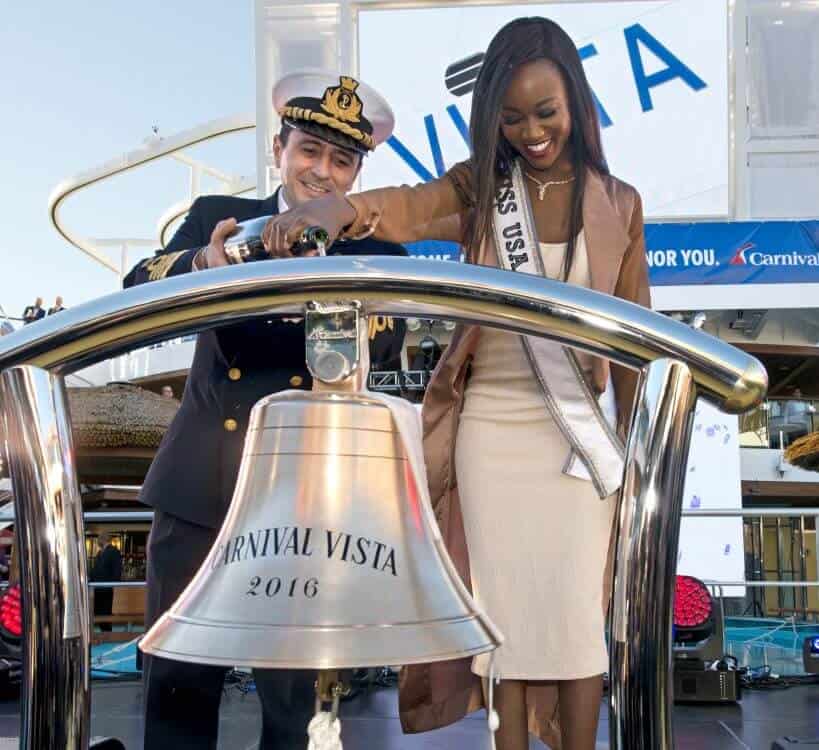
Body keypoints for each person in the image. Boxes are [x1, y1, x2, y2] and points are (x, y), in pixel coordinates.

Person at [263, 18, 650, 750]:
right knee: (498, 614)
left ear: (576, 102)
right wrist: (338, 208)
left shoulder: (620, 202)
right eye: (510, 117)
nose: (530, 131)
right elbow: (407, 204)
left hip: (577, 442)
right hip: (489, 432)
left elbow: (633, 345)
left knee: (573, 613)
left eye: (545, 112)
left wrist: (639, 456)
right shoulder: (480, 185)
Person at [123, 71, 407, 750]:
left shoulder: (378, 254)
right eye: (309, 149)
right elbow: (137, 285)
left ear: (357, 171)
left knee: (298, 703)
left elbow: (383, 342)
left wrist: (258, 297)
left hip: (305, 499)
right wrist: (207, 265)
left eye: (342, 160)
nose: (321, 171)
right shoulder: (217, 217)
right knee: (176, 685)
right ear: (279, 148)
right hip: (202, 487)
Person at [90, 533, 123, 633]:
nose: (97, 541)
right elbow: (96, 569)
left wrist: (113, 583)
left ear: (103, 539)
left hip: (106, 588)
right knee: (99, 613)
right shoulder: (100, 553)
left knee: (105, 613)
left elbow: (117, 570)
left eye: (99, 539)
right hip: (97, 588)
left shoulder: (114, 551)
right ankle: (102, 634)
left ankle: (107, 635)